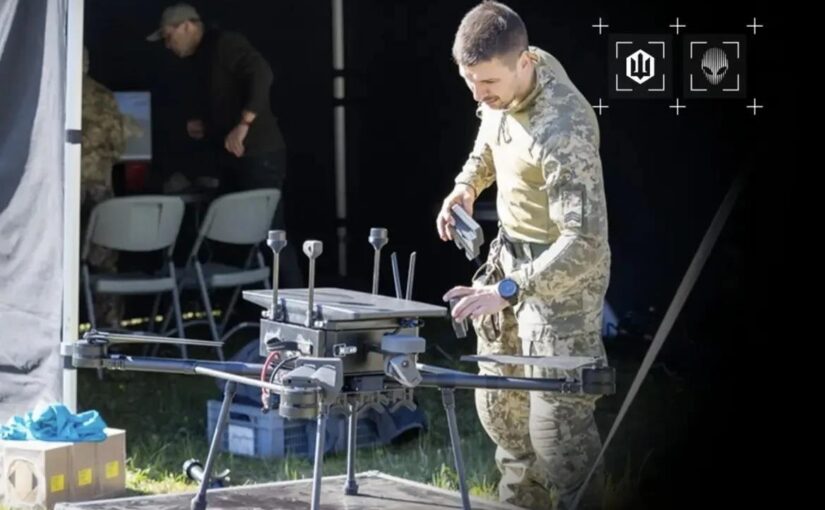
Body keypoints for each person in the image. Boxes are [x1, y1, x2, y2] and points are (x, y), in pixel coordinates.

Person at [437, 2, 611, 509]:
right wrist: (467, 186)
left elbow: (584, 242)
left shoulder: (565, 127)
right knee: (505, 419)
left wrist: (508, 291)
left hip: (561, 284)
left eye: (487, 82)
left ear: (524, 63)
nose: (478, 94)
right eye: (469, 81)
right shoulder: (505, 86)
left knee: (557, 436)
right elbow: (491, 135)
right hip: (509, 262)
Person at [146, 3, 302, 288]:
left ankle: (296, 302)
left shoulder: (224, 44)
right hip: (231, 159)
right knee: (237, 237)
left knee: (272, 235)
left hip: (259, 155)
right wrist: (207, 126)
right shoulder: (198, 60)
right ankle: (245, 304)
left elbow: (262, 73)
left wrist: (244, 124)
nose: (168, 45)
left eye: (169, 36)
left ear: (187, 26)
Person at [80, 47, 127, 328]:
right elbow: (118, 146)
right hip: (100, 188)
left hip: (60, 191)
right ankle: (109, 330)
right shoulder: (103, 96)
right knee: (105, 263)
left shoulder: (50, 95)